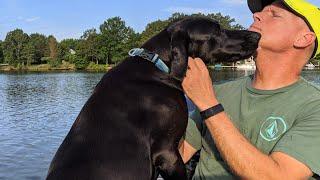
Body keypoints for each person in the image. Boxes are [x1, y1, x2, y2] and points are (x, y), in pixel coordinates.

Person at [179, 0, 320, 179]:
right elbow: (178, 153)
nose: (256, 15)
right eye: (261, 11)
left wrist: (208, 104)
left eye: (274, 14)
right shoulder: (217, 91)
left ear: (303, 39)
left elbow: (277, 176)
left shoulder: (314, 106)